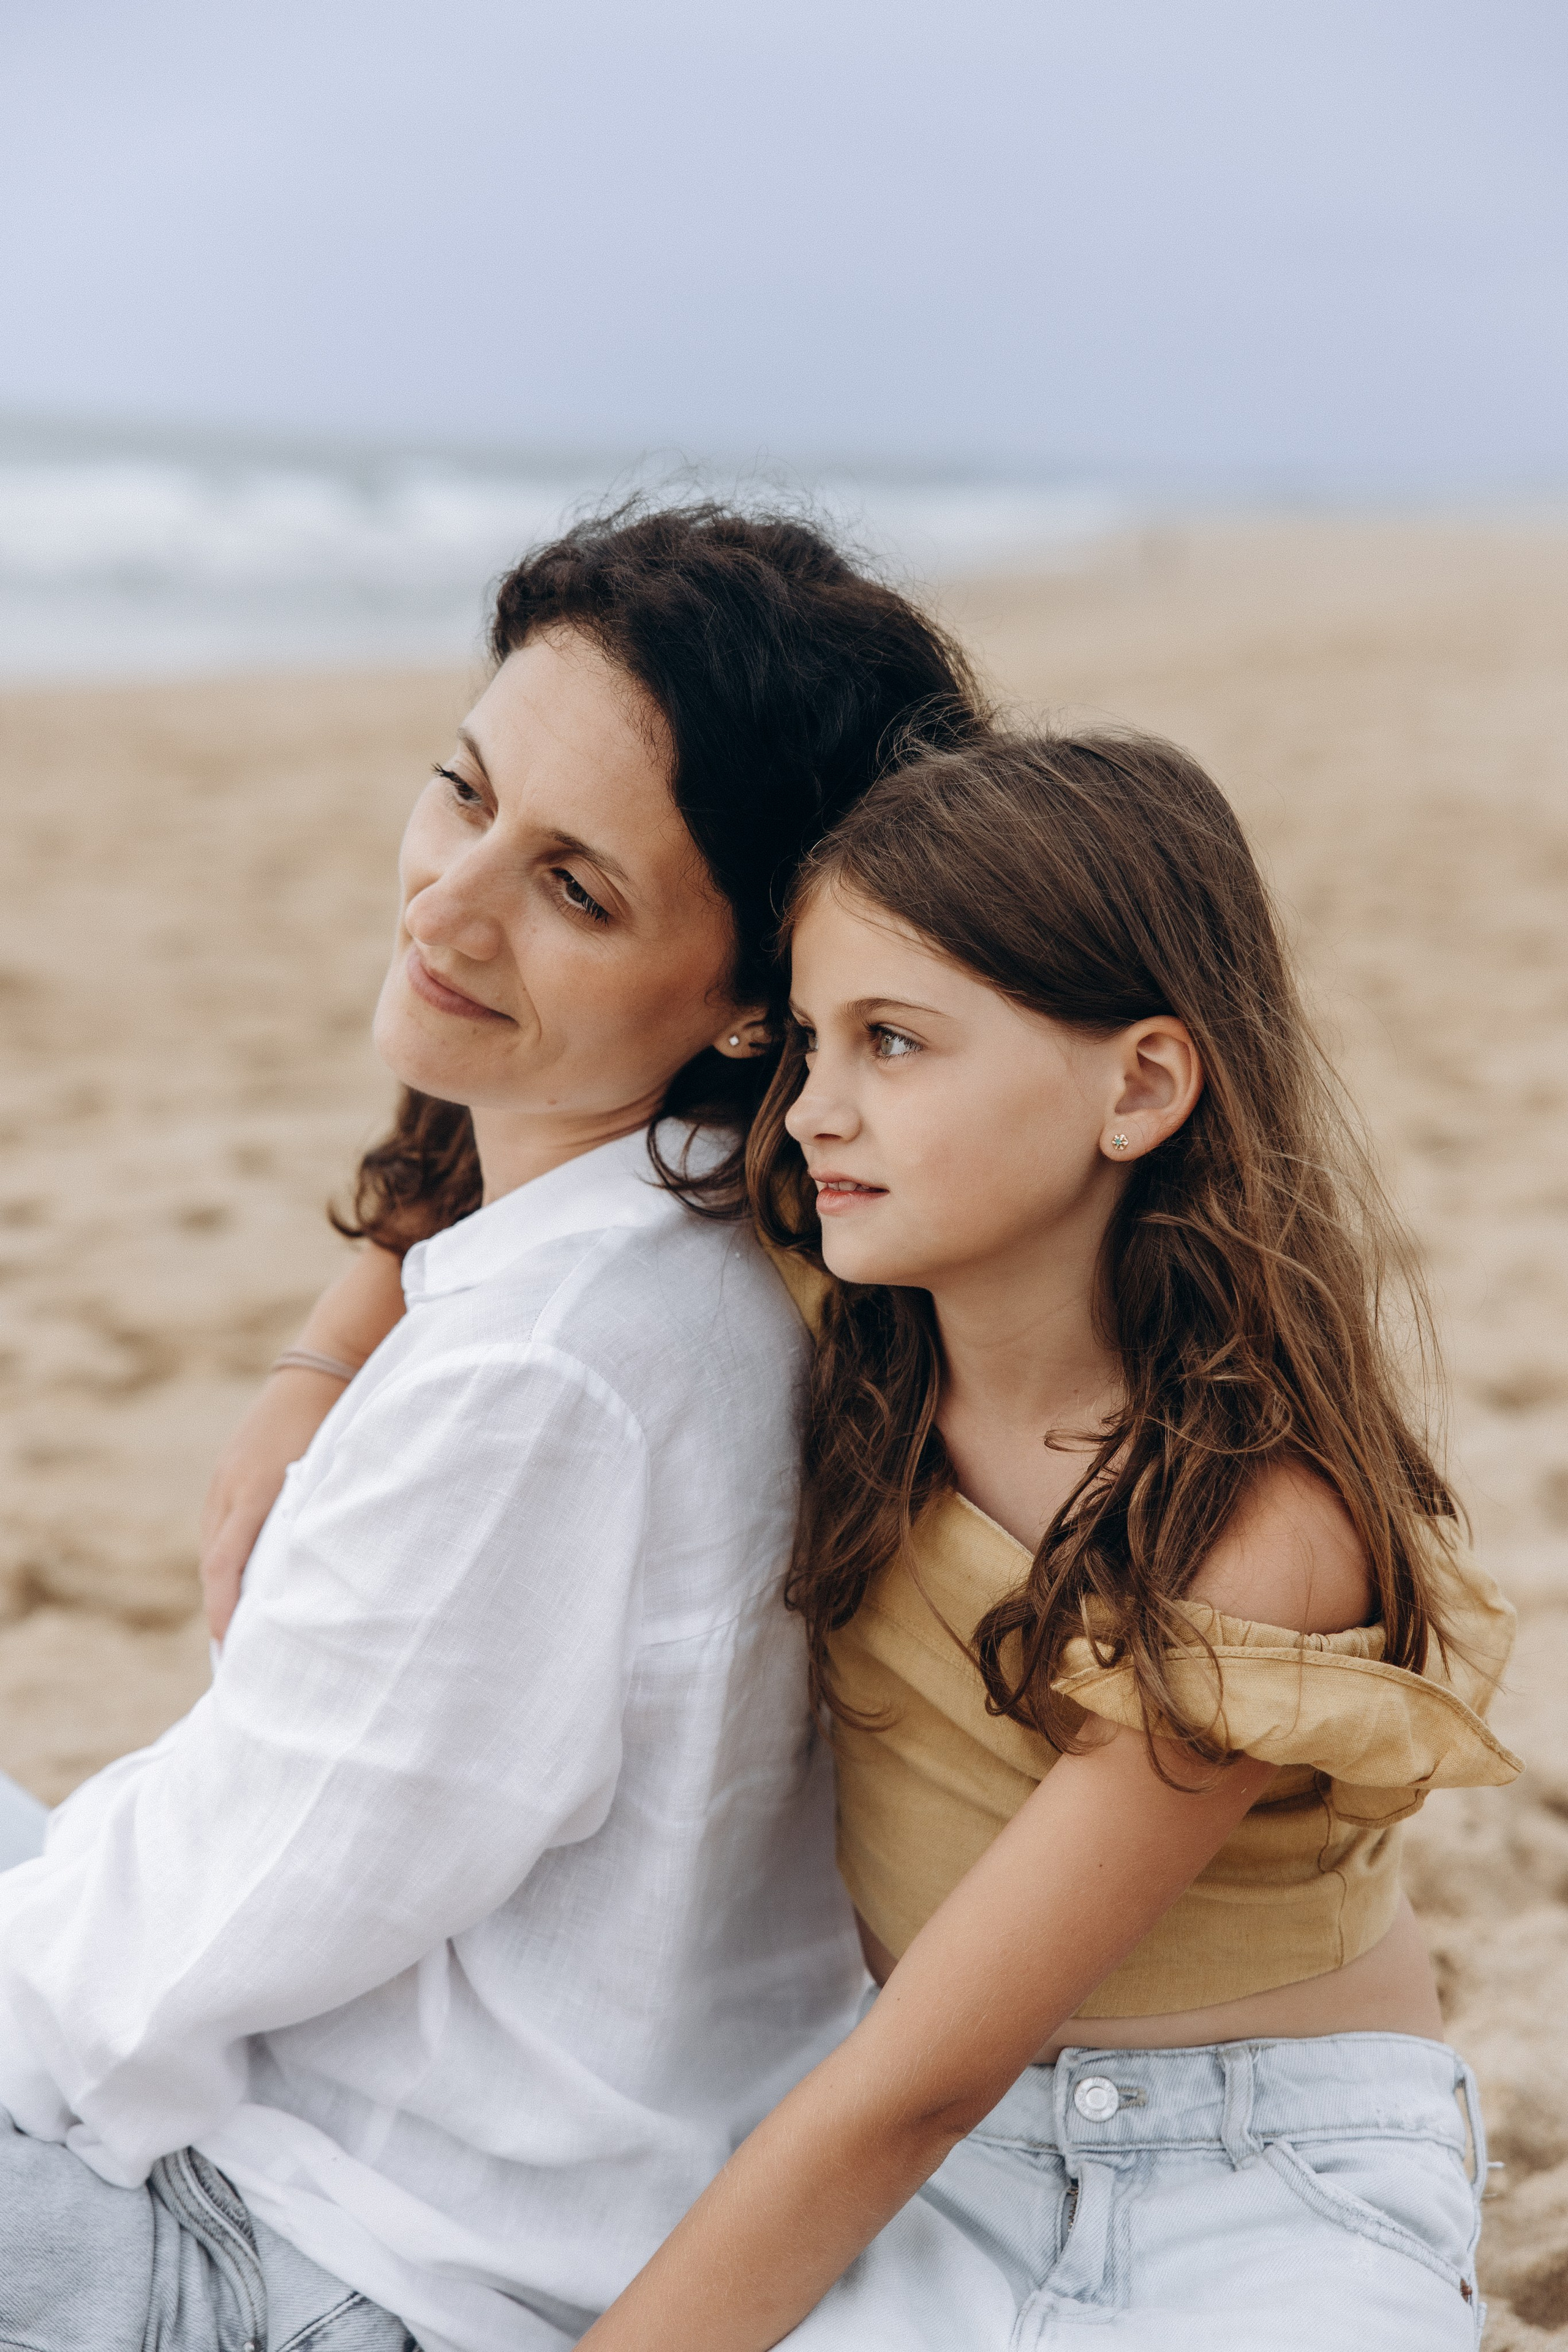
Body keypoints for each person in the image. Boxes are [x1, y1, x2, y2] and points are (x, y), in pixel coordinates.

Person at [0, 501, 983, 2352]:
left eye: (576, 891)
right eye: (465, 794)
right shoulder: (738, 1244)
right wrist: (322, 1351)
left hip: (328, 2257)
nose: (446, 905)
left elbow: (220, 1919)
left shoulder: (555, 1373)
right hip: (497, 2150)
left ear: (754, 1003)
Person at [571, 728, 1521, 2351]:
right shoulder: (843, 1309)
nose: (813, 1112)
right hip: (943, 2161)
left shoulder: (1255, 1532)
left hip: (1264, 2174)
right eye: (805, 1041)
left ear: (1139, 1088)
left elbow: (920, 2083)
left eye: (893, 1043)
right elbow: (511, 1122)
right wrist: (319, 1355)